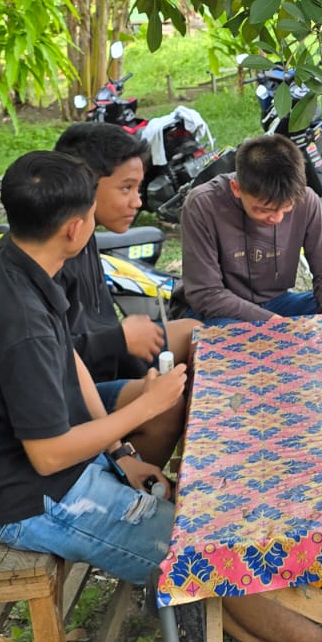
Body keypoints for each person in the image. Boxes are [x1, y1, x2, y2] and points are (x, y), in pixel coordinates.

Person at [0, 151, 322, 642]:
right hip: (36, 497)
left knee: (203, 528)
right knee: (202, 552)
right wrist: (145, 408)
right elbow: (48, 453)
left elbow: (73, 371)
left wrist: (122, 453)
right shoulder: (18, 320)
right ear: (77, 227)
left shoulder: (23, 267)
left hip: (64, 469)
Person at [51, 122, 197, 466]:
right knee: (168, 404)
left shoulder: (86, 235)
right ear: (83, 184)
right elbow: (50, 357)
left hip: (103, 358)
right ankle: (131, 486)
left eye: (139, 188)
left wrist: (126, 339)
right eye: (126, 188)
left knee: (193, 332)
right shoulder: (52, 252)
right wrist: (118, 339)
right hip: (73, 389)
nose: (138, 201)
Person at [179, 134, 322, 323]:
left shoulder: (307, 201)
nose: (277, 218)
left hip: (280, 303)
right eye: (264, 210)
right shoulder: (203, 205)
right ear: (236, 188)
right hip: (223, 312)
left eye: (286, 208)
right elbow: (206, 294)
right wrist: (275, 325)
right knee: (235, 342)